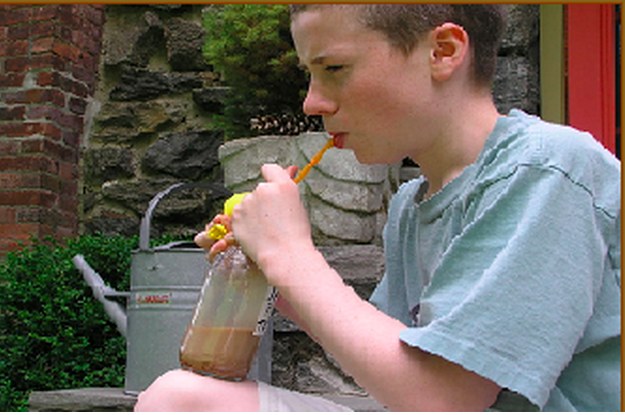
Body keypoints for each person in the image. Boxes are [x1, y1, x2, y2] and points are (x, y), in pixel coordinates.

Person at [134, 4, 621, 411]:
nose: (311, 103)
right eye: (310, 75)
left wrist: (291, 256)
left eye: (334, 69)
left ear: (443, 51)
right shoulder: (412, 203)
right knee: (181, 400)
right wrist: (268, 271)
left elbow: (443, 399)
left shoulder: (549, 168)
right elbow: (391, 361)